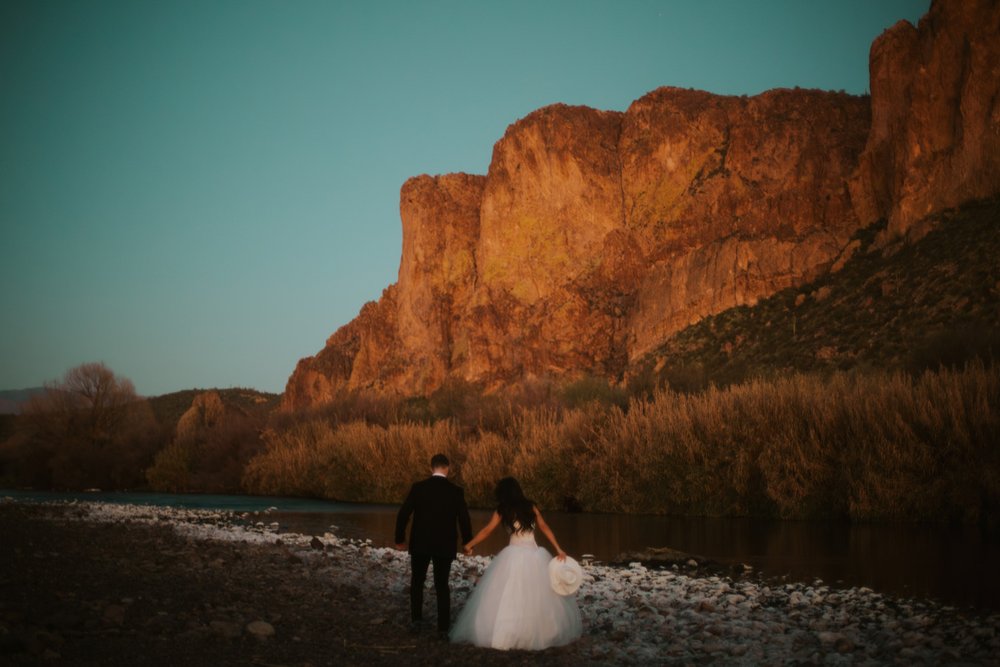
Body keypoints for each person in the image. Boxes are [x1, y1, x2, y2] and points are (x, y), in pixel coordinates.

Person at [450, 477, 582, 650]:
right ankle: (540, 632)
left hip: (513, 554)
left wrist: (470, 544)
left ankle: (508, 631)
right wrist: (558, 549)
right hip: (535, 554)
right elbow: (545, 527)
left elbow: (487, 530)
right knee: (538, 596)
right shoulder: (530, 506)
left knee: (509, 594)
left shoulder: (503, 509)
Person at [395, 453, 473, 637]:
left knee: (417, 582)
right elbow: (464, 519)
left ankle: (416, 621)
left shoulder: (418, 488)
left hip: (420, 542)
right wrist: (468, 543)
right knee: (442, 585)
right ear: (448, 468)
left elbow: (403, 514)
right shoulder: (456, 491)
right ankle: (443, 628)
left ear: (431, 468)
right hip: (444, 544)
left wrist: (399, 538)